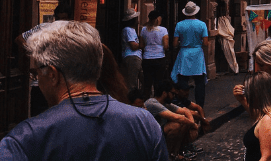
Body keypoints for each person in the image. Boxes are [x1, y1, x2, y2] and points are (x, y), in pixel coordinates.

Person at [0, 21, 168, 160]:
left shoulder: (24, 139)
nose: (37, 77)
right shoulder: (145, 123)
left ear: (52, 74)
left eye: (37, 71)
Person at [145, 80, 200, 160]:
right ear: (164, 93)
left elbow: (185, 111)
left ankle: (174, 154)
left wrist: (191, 123)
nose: (174, 96)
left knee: (184, 123)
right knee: (175, 125)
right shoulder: (153, 103)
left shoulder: (165, 104)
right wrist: (194, 125)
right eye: (172, 93)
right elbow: (178, 117)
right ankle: (166, 156)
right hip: (150, 136)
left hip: (159, 133)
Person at [171, 1, 209, 107]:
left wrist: (181, 43)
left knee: (183, 80)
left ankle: (182, 104)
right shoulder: (202, 25)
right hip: (197, 55)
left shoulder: (179, 25)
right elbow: (205, 43)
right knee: (199, 83)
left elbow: (174, 43)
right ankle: (199, 105)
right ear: (195, 12)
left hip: (184, 53)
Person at [141, 11, 169, 98]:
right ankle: (157, 102)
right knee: (158, 82)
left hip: (147, 58)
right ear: (157, 19)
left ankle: (145, 102)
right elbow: (166, 46)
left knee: (147, 83)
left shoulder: (143, 30)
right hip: (159, 57)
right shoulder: (163, 30)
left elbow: (141, 45)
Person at [122, 7, 143, 90]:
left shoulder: (131, 30)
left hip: (135, 57)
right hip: (132, 57)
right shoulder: (128, 30)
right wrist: (142, 44)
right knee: (132, 82)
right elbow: (133, 46)